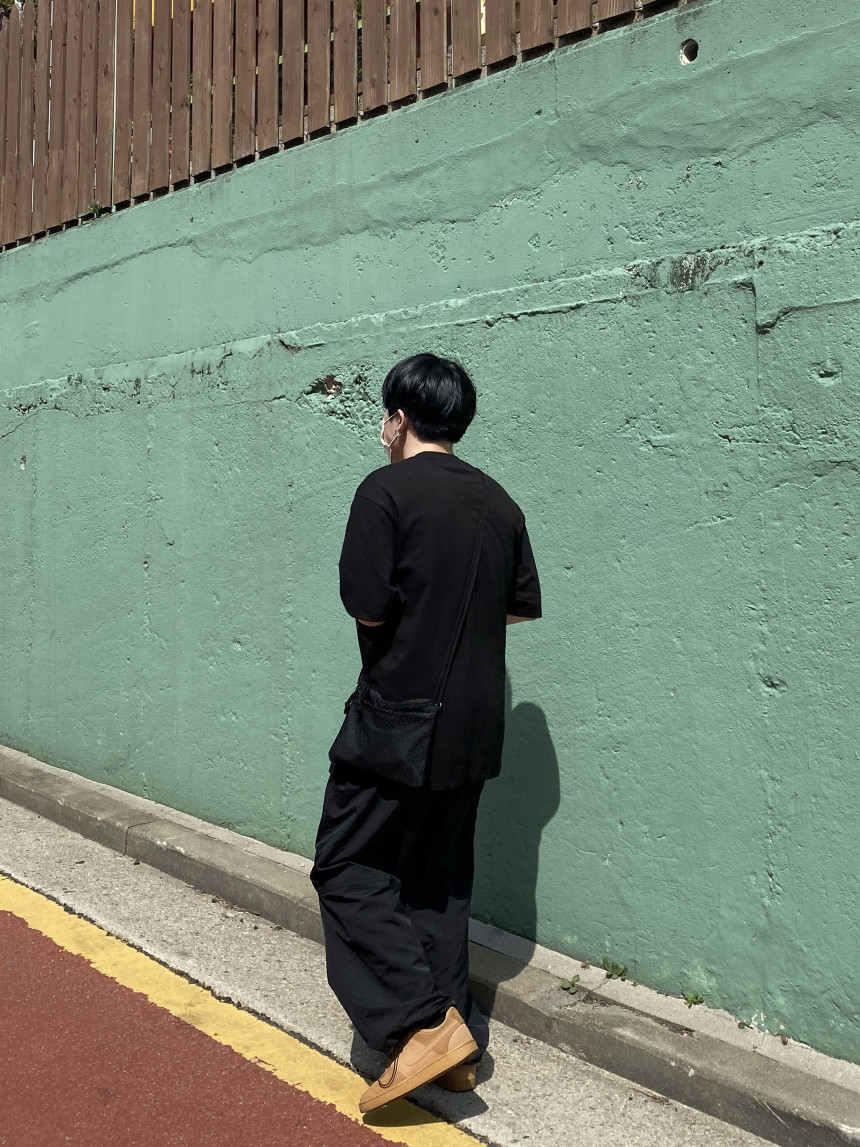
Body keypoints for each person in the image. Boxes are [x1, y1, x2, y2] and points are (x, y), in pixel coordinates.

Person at [310, 353, 542, 1114]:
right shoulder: (500, 501)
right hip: (474, 727)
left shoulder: (384, 491)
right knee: (436, 884)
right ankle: (457, 1049)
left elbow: (368, 607)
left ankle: (421, 1025)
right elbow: (516, 608)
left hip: (396, 721)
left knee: (346, 866)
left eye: (386, 417)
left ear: (399, 419)